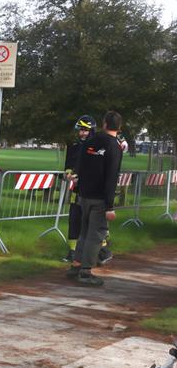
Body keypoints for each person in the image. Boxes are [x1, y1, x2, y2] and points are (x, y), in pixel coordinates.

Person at [66, 111, 123, 286]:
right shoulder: (115, 147)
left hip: (83, 195)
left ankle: (76, 265)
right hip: (99, 198)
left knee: (83, 232)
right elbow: (111, 176)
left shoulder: (91, 141)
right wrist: (110, 206)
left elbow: (79, 166)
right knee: (96, 234)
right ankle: (86, 271)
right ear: (119, 128)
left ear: (104, 124)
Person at [63, 116, 113, 265]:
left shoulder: (97, 146)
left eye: (85, 130)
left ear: (91, 130)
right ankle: (73, 252)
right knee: (74, 219)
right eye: (80, 130)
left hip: (92, 191)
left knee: (92, 222)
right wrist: (68, 174)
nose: (82, 133)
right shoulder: (74, 146)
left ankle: (102, 250)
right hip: (77, 190)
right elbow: (68, 165)